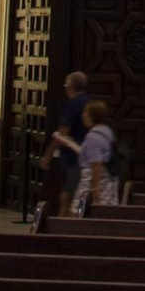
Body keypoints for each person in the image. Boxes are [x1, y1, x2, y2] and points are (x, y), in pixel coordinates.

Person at [44, 68, 90, 214]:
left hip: (74, 158)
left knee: (67, 196)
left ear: (70, 86)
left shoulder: (72, 105)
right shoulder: (91, 102)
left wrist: (48, 155)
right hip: (89, 158)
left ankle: (63, 226)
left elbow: (63, 133)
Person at [73, 98, 119, 210]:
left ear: (92, 116)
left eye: (85, 112)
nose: (83, 115)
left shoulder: (92, 137)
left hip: (93, 180)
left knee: (78, 213)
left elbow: (96, 163)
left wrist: (95, 192)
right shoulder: (106, 131)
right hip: (108, 180)